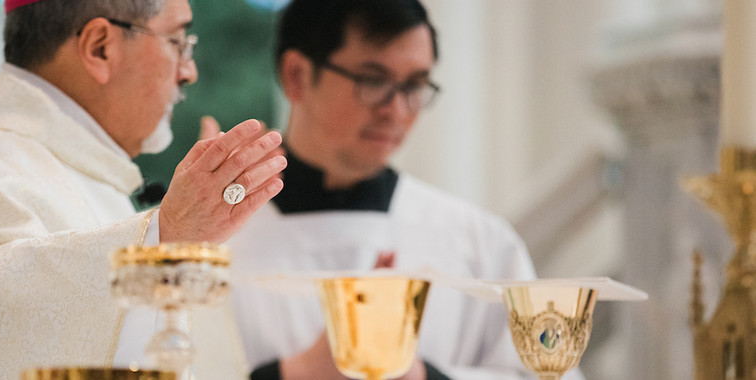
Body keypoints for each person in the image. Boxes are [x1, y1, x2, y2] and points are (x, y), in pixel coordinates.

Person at [0, 0, 286, 378]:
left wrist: (191, 236)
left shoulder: (61, 166)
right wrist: (167, 239)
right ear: (100, 48)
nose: (189, 71)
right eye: (178, 41)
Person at [225, 0, 582, 379]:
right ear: (296, 75)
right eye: (373, 80)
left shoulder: (477, 243)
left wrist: (423, 376)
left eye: (414, 85)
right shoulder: (217, 243)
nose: (396, 110)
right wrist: (293, 375)